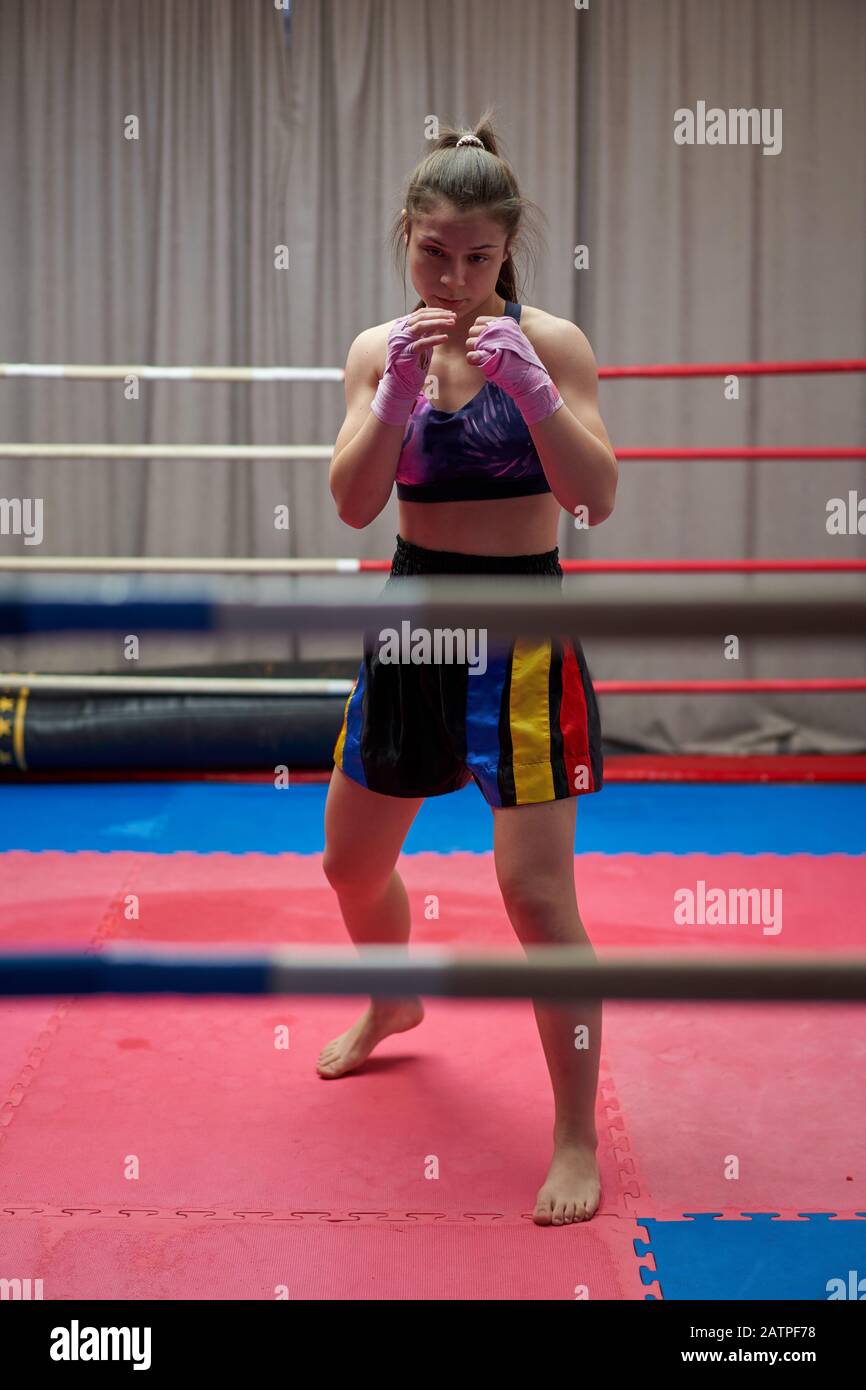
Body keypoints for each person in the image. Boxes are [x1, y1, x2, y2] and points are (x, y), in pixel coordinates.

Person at [322, 111, 617, 1227]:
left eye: (477, 256)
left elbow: (593, 495)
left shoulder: (557, 340)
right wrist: (393, 396)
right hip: (412, 616)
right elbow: (353, 504)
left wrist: (536, 391)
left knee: (534, 895)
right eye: (432, 252)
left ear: (505, 250)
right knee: (348, 869)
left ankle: (577, 1132)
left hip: (521, 626)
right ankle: (392, 1001)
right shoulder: (372, 349)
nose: (453, 276)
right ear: (406, 236)